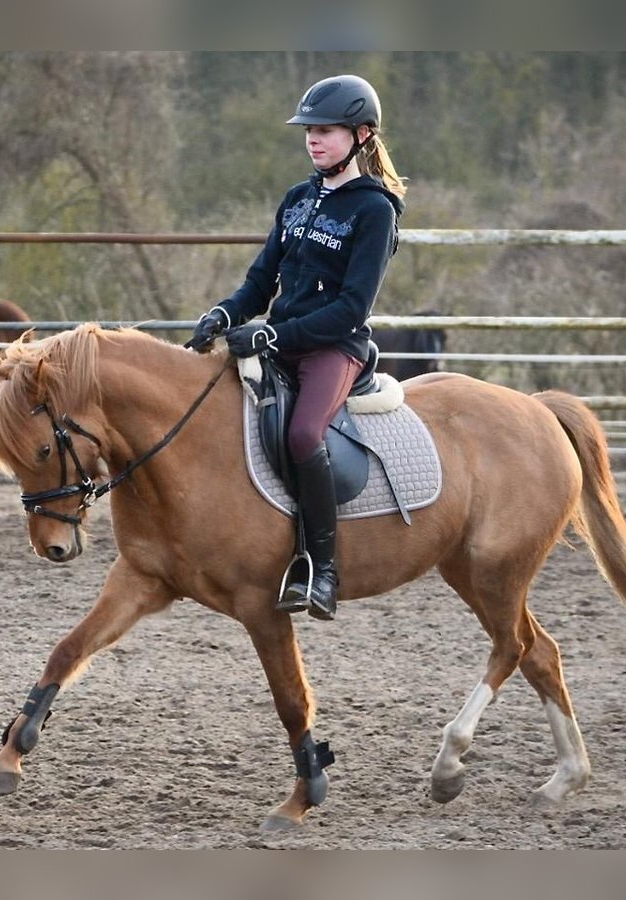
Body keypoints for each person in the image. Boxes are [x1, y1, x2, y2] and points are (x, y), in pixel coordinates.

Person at [188, 73, 407, 622]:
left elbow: (352, 308)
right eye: (309, 129)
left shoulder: (374, 210)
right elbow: (261, 282)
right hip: (279, 342)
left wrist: (273, 334)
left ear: (361, 135)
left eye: (327, 130)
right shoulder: (297, 198)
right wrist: (225, 313)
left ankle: (322, 569)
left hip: (334, 347)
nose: (314, 139)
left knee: (305, 433)